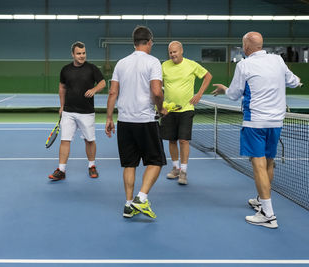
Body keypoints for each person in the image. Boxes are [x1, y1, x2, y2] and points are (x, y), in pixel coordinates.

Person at [212, 32, 301, 228]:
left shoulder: (244, 65)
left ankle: (268, 215)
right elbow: (294, 82)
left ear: (246, 47)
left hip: (255, 122)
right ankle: (262, 201)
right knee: (268, 162)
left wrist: (224, 89)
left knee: (258, 165)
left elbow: (234, 94)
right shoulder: (278, 60)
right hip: (276, 122)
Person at [105, 26, 167, 219]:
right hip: (145, 120)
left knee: (129, 164)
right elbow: (157, 91)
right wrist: (160, 108)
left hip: (124, 121)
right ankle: (141, 197)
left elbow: (113, 92)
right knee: (156, 161)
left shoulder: (121, 63)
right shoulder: (153, 62)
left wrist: (108, 118)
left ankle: (128, 204)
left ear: (134, 42)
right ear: (149, 42)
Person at [49, 41, 106, 181]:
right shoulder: (65, 70)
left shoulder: (92, 68)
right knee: (65, 140)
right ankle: (61, 170)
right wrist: (62, 106)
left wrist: (94, 90)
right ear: (73, 54)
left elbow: (103, 83)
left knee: (90, 140)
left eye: (84, 53)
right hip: (68, 111)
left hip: (86, 112)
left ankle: (92, 166)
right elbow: (62, 88)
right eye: (79, 53)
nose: (82, 56)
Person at [161, 41, 212, 185]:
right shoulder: (164, 66)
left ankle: (183, 171)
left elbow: (208, 76)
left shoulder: (192, 65)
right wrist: (160, 105)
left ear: (181, 51)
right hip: (168, 110)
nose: (172, 55)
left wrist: (199, 94)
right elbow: (158, 83)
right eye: (170, 52)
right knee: (172, 140)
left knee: (183, 140)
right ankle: (175, 168)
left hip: (186, 109)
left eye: (175, 52)